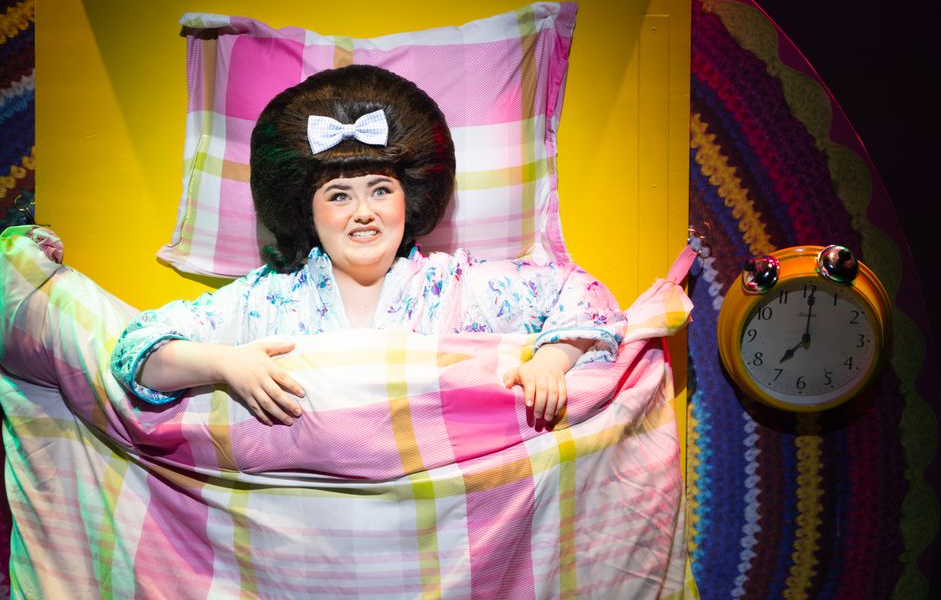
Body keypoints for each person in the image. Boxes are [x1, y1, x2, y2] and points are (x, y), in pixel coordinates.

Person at [110, 65, 624, 428]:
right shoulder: (264, 299)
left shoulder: (460, 286)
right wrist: (224, 365)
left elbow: (584, 296)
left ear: (411, 197)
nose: (363, 212)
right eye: (338, 195)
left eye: (381, 189)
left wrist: (551, 363)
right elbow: (137, 350)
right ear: (306, 209)